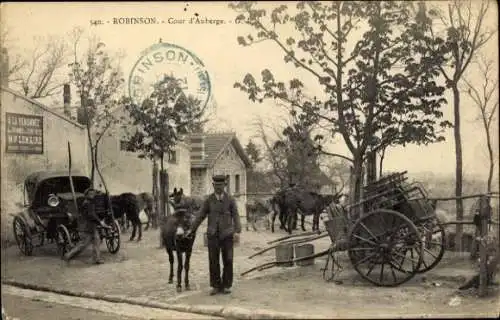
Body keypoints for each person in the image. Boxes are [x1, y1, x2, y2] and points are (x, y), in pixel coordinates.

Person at [186, 175, 242, 295]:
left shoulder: (230, 200)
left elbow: (236, 215)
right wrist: (192, 229)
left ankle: (226, 285)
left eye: (221, 185)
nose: (218, 188)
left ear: (225, 185)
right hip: (213, 234)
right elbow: (200, 215)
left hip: (227, 234)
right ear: (213, 186)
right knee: (213, 260)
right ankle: (216, 286)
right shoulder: (208, 200)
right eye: (216, 185)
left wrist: (237, 230)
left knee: (228, 259)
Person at [63, 188, 108, 265]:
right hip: (86, 227)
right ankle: (68, 256)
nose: (92, 195)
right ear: (86, 195)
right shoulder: (87, 203)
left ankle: (96, 259)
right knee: (83, 244)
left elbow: (93, 215)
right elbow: (91, 215)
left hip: (92, 226)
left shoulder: (90, 202)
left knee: (97, 242)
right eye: (90, 194)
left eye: (93, 194)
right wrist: (100, 222)